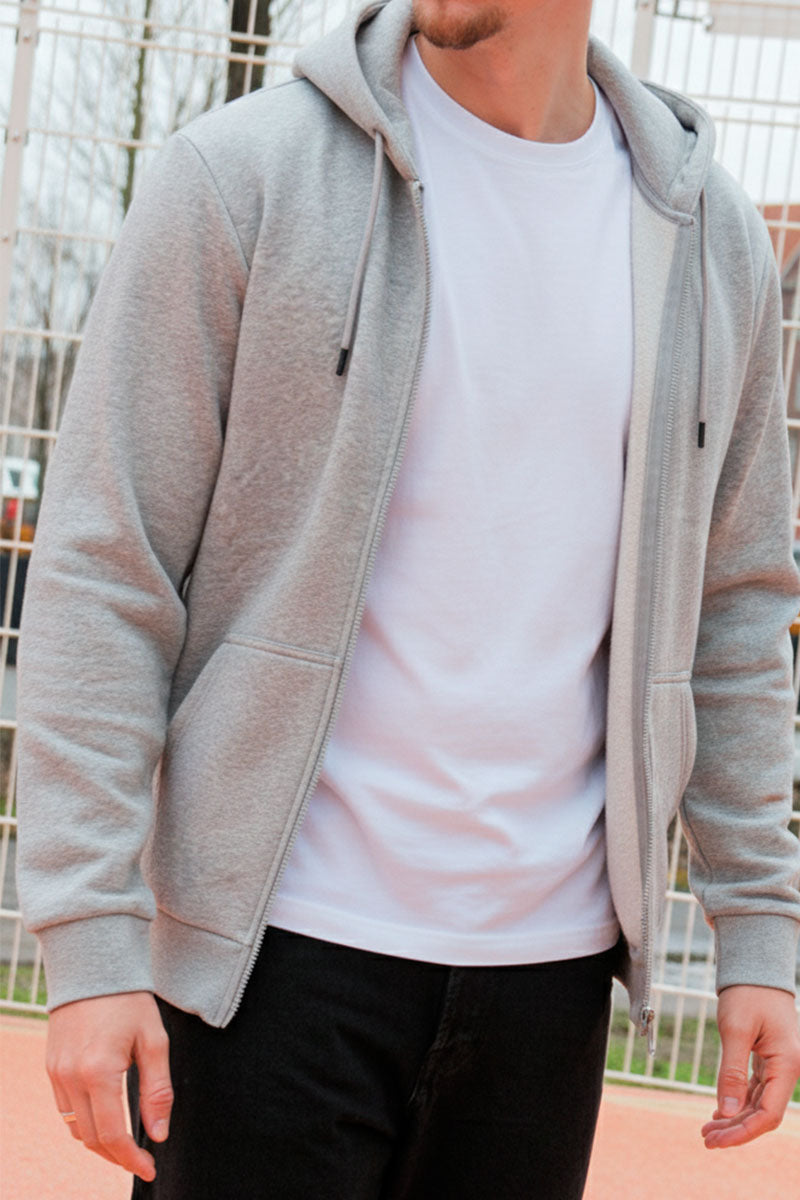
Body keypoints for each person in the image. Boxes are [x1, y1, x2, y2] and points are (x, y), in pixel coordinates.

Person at [15, 0, 800, 1195]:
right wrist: (88, 935)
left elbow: (732, 607)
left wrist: (754, 924)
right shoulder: (242, 177)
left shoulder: (706, 242)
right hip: (265, 966)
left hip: (546, 988)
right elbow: (105, 566)